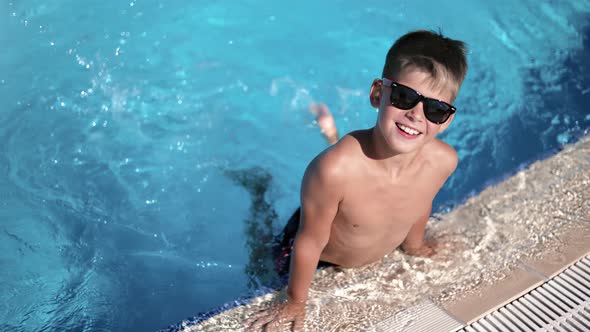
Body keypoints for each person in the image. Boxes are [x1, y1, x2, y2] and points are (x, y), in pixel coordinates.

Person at [246, 29, 468, 331]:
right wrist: (296, 300)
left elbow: (421, 202)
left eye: (435, 109)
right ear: (378, 94)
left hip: (343, 201)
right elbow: (309, 242)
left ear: (446, 120)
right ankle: (259, 191)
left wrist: (415, 247)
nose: (417, 115)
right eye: (404, 97)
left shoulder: (443, 161)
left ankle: (329, 131)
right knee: (259, 259)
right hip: (317, 250)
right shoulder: (333, 170)